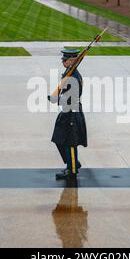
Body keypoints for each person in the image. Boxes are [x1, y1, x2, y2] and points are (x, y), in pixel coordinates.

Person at [49, 48, 87, 180]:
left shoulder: (74, 77)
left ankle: (72, 170)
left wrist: (56, 99)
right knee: (59, 138)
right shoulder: (69, 73)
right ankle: (73, 162)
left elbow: (71, 98)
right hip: (67, 111)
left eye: (65, 60)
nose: (62, 62)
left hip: (72, 112)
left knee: (70, 142)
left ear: (71, 61)